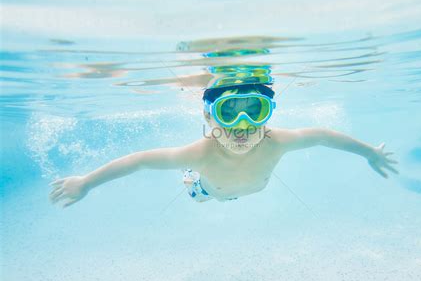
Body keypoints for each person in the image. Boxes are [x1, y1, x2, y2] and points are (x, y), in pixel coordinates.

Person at [49, 83, 398, 208]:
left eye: (254, 110)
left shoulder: (279, 140)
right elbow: (139, 160)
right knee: (196, 192)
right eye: (228, 112)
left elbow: (323, 135)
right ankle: (192, 180)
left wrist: (369, 151)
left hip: (248, 188)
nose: (242, 126)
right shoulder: (200, 151)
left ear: (268, 115)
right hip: (207, 192)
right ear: (209, 117)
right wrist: (87, 182)